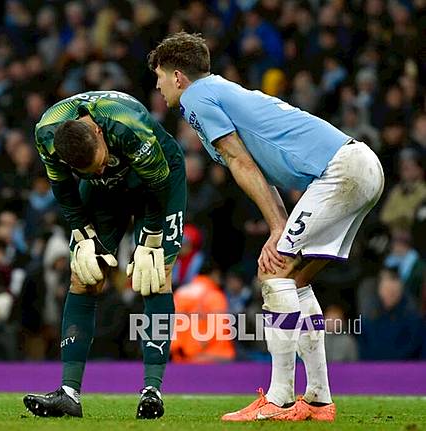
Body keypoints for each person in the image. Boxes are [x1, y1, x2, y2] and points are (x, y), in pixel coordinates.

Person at [149, 32, 385, 422]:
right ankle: (319, 400)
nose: (158, 87)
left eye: (159, 77)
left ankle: (279, 399)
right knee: (296, 280)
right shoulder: (220, 91)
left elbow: (239, 162)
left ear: (177, 76)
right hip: (360, 166)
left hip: (340, 172)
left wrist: (277, 228)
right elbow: (257, 169)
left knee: (273, 274)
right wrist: (280, 225)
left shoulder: (196, 98)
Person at [23, 90, 187, 419]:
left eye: (98, 163)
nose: (98, 172)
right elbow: (62, 188)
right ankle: (69, 393)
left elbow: (157, 184)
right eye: (87, 170)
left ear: (99, 132)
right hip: (104, 196)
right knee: (84, 276)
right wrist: (82, 232)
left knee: (155, 276)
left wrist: (151, 237)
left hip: (158, 177)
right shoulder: (47, 134)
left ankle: (152, 391)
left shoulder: (128, 124)